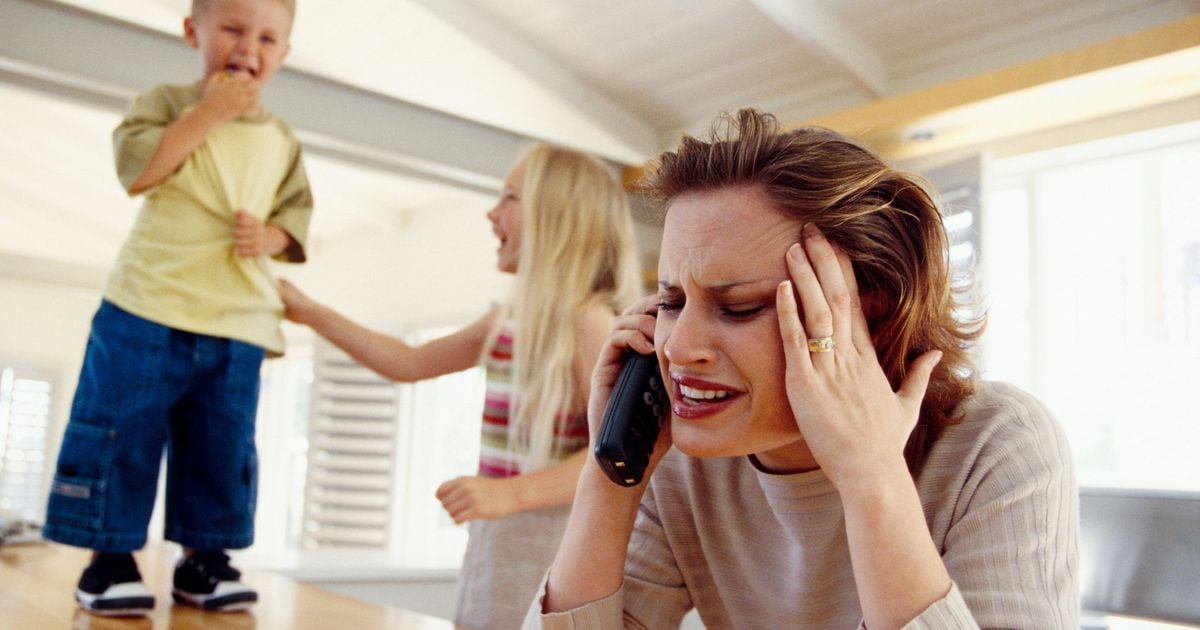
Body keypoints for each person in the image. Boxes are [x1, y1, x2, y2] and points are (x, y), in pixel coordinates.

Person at [528, 109, 1079, 629]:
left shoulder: (997, 445)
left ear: (869, 311)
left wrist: (871, 477)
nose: (678, 347)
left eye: (739, 306)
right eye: (672, 302)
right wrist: (610, 478)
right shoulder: (686, 459)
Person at [279, 142, 640, 630]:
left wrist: (509, 495)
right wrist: (311, 313)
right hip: (496, 539)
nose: (493, 213)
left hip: (553, 545)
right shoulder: (506, 321)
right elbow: (408, 361)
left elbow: (612, 457)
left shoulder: (589, 322)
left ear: (558, 216)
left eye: (510, 197)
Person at [42, 0, 312, 617]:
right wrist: (210, 112)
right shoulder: (166, 102)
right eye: (234, 30)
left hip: (236, 320)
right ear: (195, 32)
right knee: (122, 429)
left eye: (268, 38)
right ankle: (108, 560)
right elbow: (139, 170)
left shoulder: (282, 138)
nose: (250, 48)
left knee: (222, 442)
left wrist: (271, 237)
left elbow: (293, 212)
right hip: (145, 305)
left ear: (284, 55)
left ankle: (205, 559)